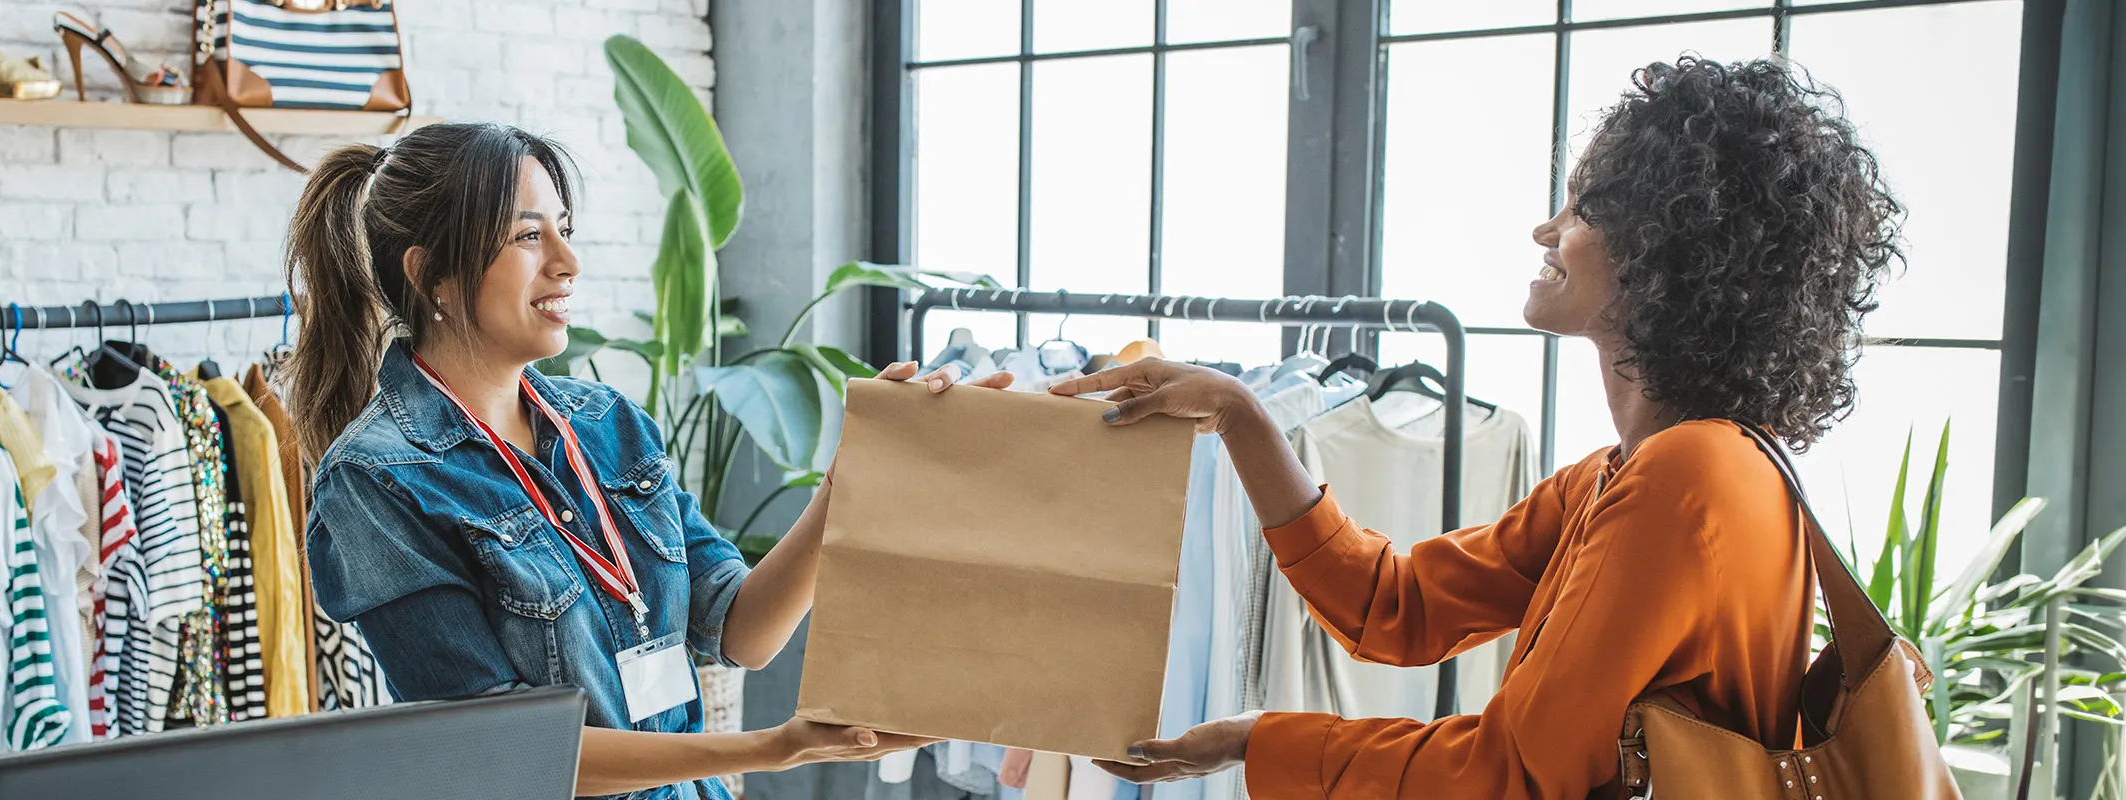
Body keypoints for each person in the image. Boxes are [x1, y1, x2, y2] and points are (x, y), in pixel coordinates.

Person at [1060, 56, 1905, 798]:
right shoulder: (1631, 474)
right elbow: (1397, 608)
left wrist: (1260, 743)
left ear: (1670, 248)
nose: (1547, 230)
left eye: (1584, 208)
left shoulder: (1686, 478)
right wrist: (1241, 415)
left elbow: (1508, 778)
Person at [286, 123, 1008, 799]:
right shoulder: (376, 481)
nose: (568, 264)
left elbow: (741, 631)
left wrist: (848, 479)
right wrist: (771, 748)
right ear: (432, 274)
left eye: (564, 232)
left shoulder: (607, 423)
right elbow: (502, 753)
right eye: (528, 236)